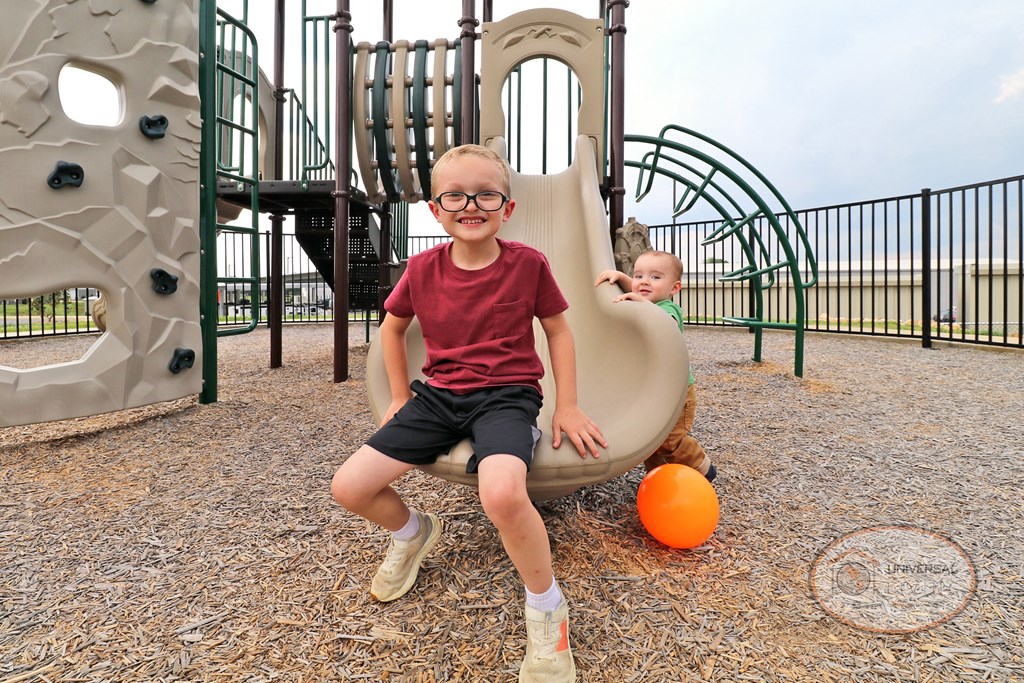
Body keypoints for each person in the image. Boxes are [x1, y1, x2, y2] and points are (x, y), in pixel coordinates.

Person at [331, 144, 606, 682]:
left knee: (501, 493)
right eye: (454, 194)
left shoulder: (527, 264)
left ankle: (548, 607)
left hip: (507, 395)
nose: (470, 204)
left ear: (508, 207)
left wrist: (566, 404)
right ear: (435, 209)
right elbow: (392, 328)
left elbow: (557, 331)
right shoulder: (422, 267)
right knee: (350, 487)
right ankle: (412, 533)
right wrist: (397, 397)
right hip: (438, 395)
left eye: (486, 193)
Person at [594, 250, 717, 482]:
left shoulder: (669, 310)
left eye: (656, 277)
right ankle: (660, 479)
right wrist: (620, 277)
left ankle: (703, 468)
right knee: (651, 439)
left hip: (678, 393)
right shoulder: (644, 300)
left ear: (675, 288)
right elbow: (639, 289)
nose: (644, 282)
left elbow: (665, 325)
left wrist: (642, 302)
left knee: (671, 440)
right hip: (652, 390)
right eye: (639, 276)